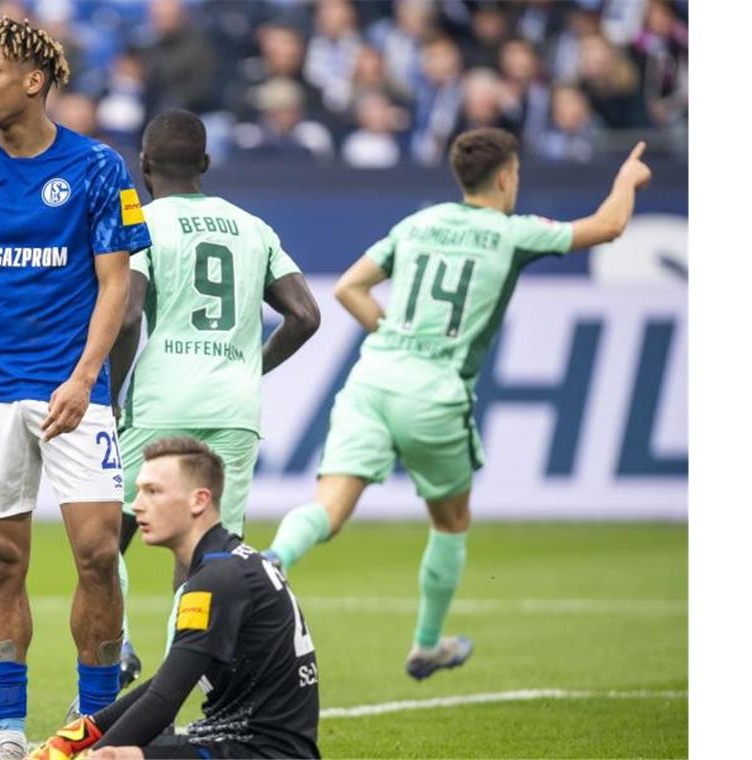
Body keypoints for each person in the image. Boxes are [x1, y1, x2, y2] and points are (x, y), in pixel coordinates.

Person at [264, 127, 652, 681]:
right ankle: (426, 644)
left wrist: (395, 333)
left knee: (328, 507)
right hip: (435, 390)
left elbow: (350, 286)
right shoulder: (512, 232)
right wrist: (627, 178)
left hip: (374, 377)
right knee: (450, 522)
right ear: (504, 176)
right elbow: (609, 226)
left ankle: (273, 561)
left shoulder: (419, 223)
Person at [0, 16, 151, 760]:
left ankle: (95, 730)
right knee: (0, 564)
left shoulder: (99, 168)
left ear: (33, 81)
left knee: (99, 553)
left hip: (73, 394)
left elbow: (118, 285)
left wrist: (84, 378)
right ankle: (10, 734)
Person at [108, 109, 320, 688]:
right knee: (208, 553)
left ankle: (117, 646)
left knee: (108, 536)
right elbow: (305, 315)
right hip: (232, 408)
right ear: (205, 165)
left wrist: (109, 393)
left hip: (161, 405)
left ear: (144, 166)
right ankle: (195, 676)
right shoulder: (254, 228)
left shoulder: (142, 224)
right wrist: (253, 365)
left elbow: (127, 316)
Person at [30, 437, 321, 760]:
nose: (138, 504)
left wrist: (88, 753)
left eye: (153, 492)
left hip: (258, 752)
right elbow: (172, 677)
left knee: (110, 758)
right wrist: (76, 735)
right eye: (139, 490)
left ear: (199, 501)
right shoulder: (228, 562)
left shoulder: (215, 580)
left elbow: (164, 701)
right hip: (244, 743)